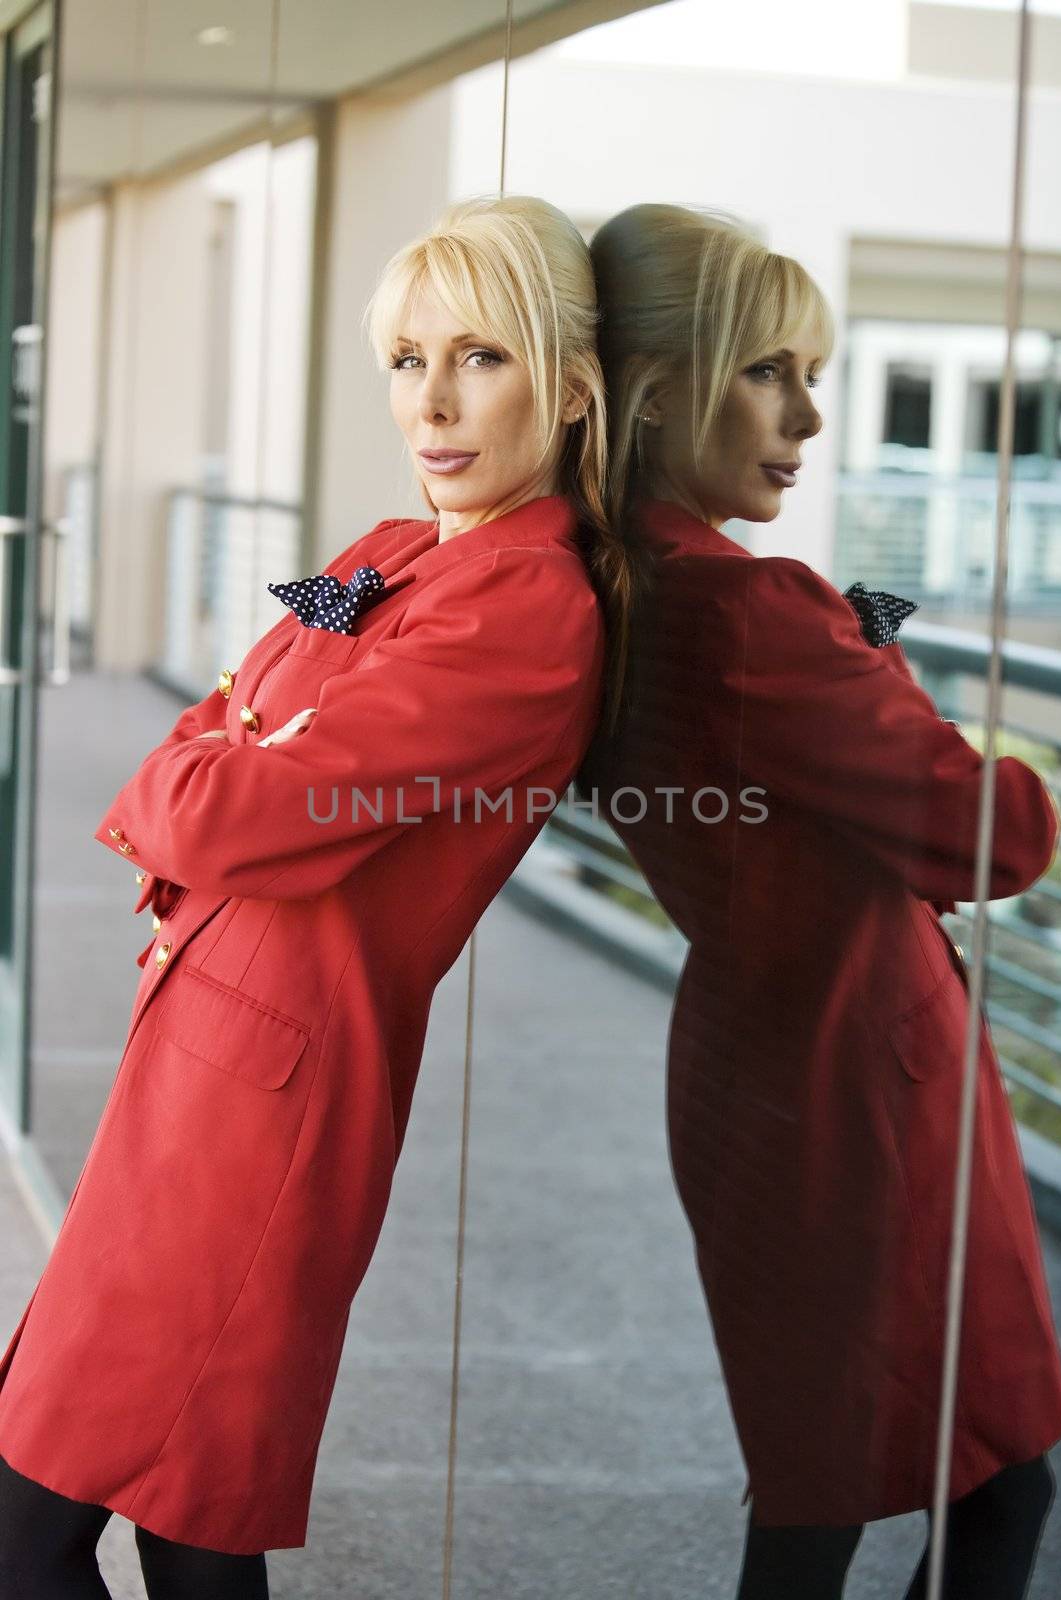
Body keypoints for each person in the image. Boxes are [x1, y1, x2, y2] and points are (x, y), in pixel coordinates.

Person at [0, 194, 638, 1599]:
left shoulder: (525, 608)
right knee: (156, 1514)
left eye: (481, 357)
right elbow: (217, 737)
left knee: (87, 1515)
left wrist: (237, 750)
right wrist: (233, 750)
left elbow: (230, 790)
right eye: (409, 360)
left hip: (265, 1107)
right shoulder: (389, 555)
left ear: (574, 389)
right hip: (200, 1062)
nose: (434, 402)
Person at [579, 202, 1061, 1598]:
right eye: (768, 372)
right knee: (961, 1472)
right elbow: (1000, 838)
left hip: (766, 1049)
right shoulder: (756, 611)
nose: (805, 416)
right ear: (661, 390)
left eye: (814, 378)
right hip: (867, 1078)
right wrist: (908, 684)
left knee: (836, 1470)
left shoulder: (621, 583)